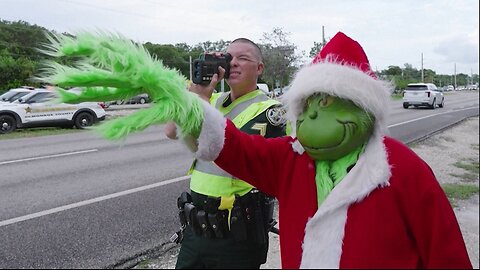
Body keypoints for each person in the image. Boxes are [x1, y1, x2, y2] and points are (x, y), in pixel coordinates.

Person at [184, 32, 473, 268]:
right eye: (307, 104)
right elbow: (237, 149)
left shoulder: (401, 167)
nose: (310, 116)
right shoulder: (291, 157)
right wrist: (194, 102)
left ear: (362, 106)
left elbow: (445, 252)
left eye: (325, 103)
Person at [164, 38, 287, 269]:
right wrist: (194, 93)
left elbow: (227, 149)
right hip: (196, 229)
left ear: (259, 68)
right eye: (230, 59)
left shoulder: (271, 111)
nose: (235, 64)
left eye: (244, 58)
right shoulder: (212, 101)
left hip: (237, 235)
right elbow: (171, 130)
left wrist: (200, 100)